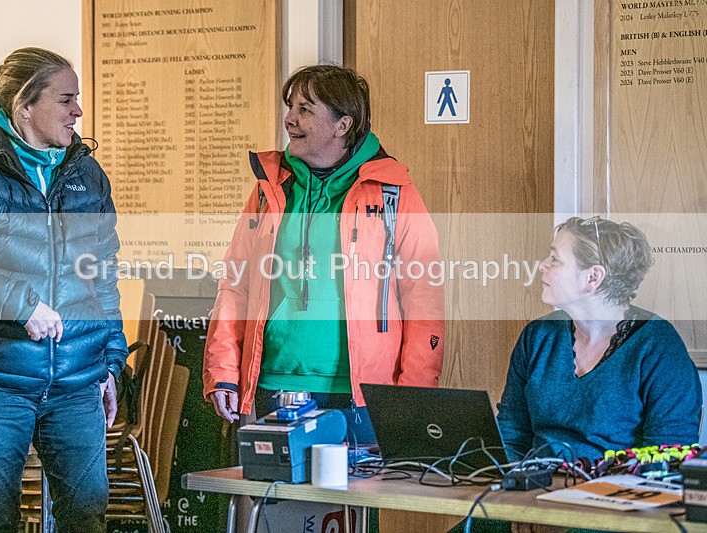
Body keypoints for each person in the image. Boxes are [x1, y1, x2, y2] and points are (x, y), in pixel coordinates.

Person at [0, 47, 127, 532]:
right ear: (24, 106)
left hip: (78, 381)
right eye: (66, 99)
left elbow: (104, 277)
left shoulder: (87, 175)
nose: (78, 111)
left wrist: (112, 363)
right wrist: (21, 303)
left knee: (87, 515)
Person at [202, 64, 444, 441]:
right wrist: (223, 372)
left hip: (360, 396)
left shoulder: (393, 192)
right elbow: (235, 284)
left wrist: (413, 393)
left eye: (305, 109)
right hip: (270, 387)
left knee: (351, 500)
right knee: (269, 499)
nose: (289, 119)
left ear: (342, 124)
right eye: (290, 107)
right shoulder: (270, 189)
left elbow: (423, 299)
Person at [497, 216, 702, 462]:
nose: (542, 265)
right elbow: (510, 434)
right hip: (535, 490)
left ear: (593, 277)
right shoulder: (537, 336)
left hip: (616, 495)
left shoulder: (659, 348)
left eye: (555, 259)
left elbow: (668, 457)